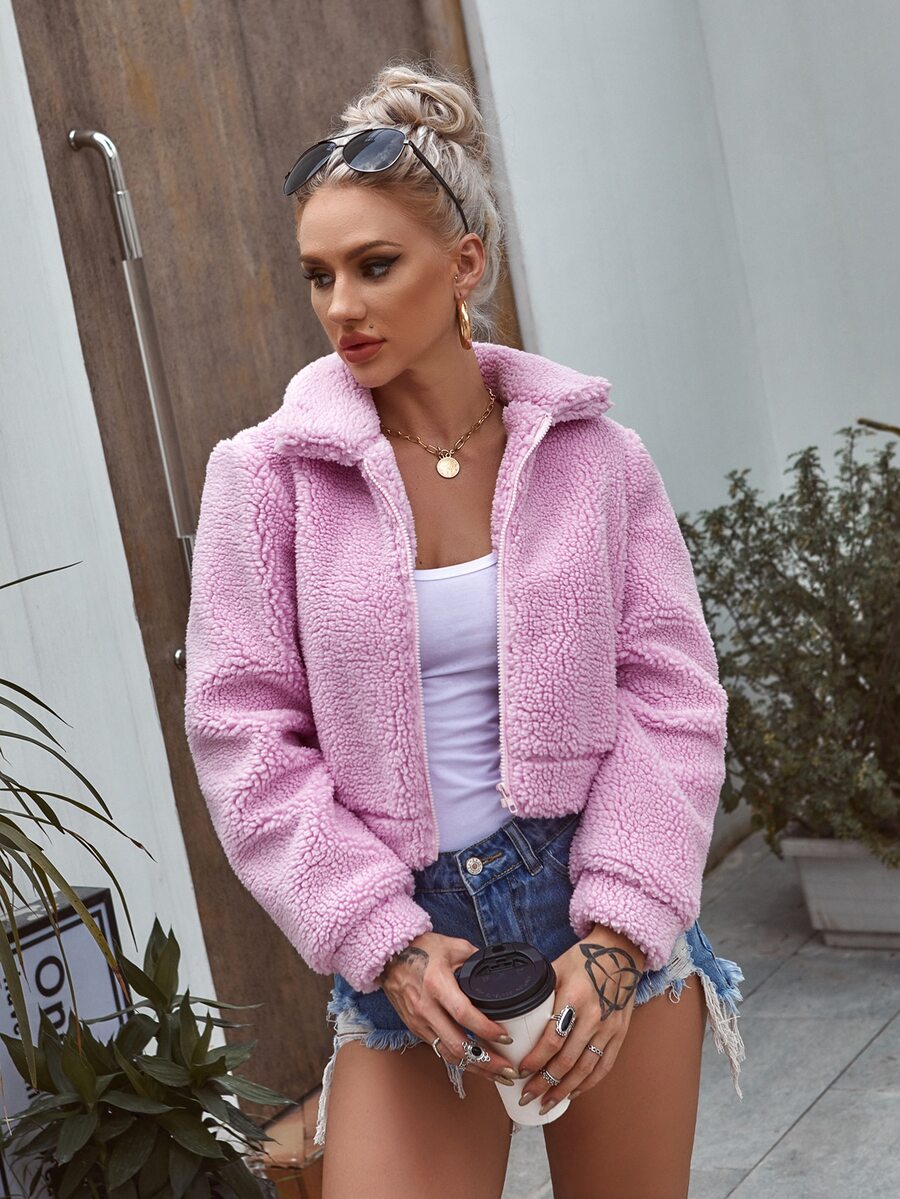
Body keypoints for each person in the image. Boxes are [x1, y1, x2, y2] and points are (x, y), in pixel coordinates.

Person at [184, 61, 746, 1199]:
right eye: (319, 275)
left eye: (375, 265)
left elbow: (672, 693)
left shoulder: (596, 458)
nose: (342, 306)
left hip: (597, 901)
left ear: (465, 266)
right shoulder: (265, 479)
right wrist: (382, 938)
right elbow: (243, 735)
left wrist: (619, 934)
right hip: (409, 931)